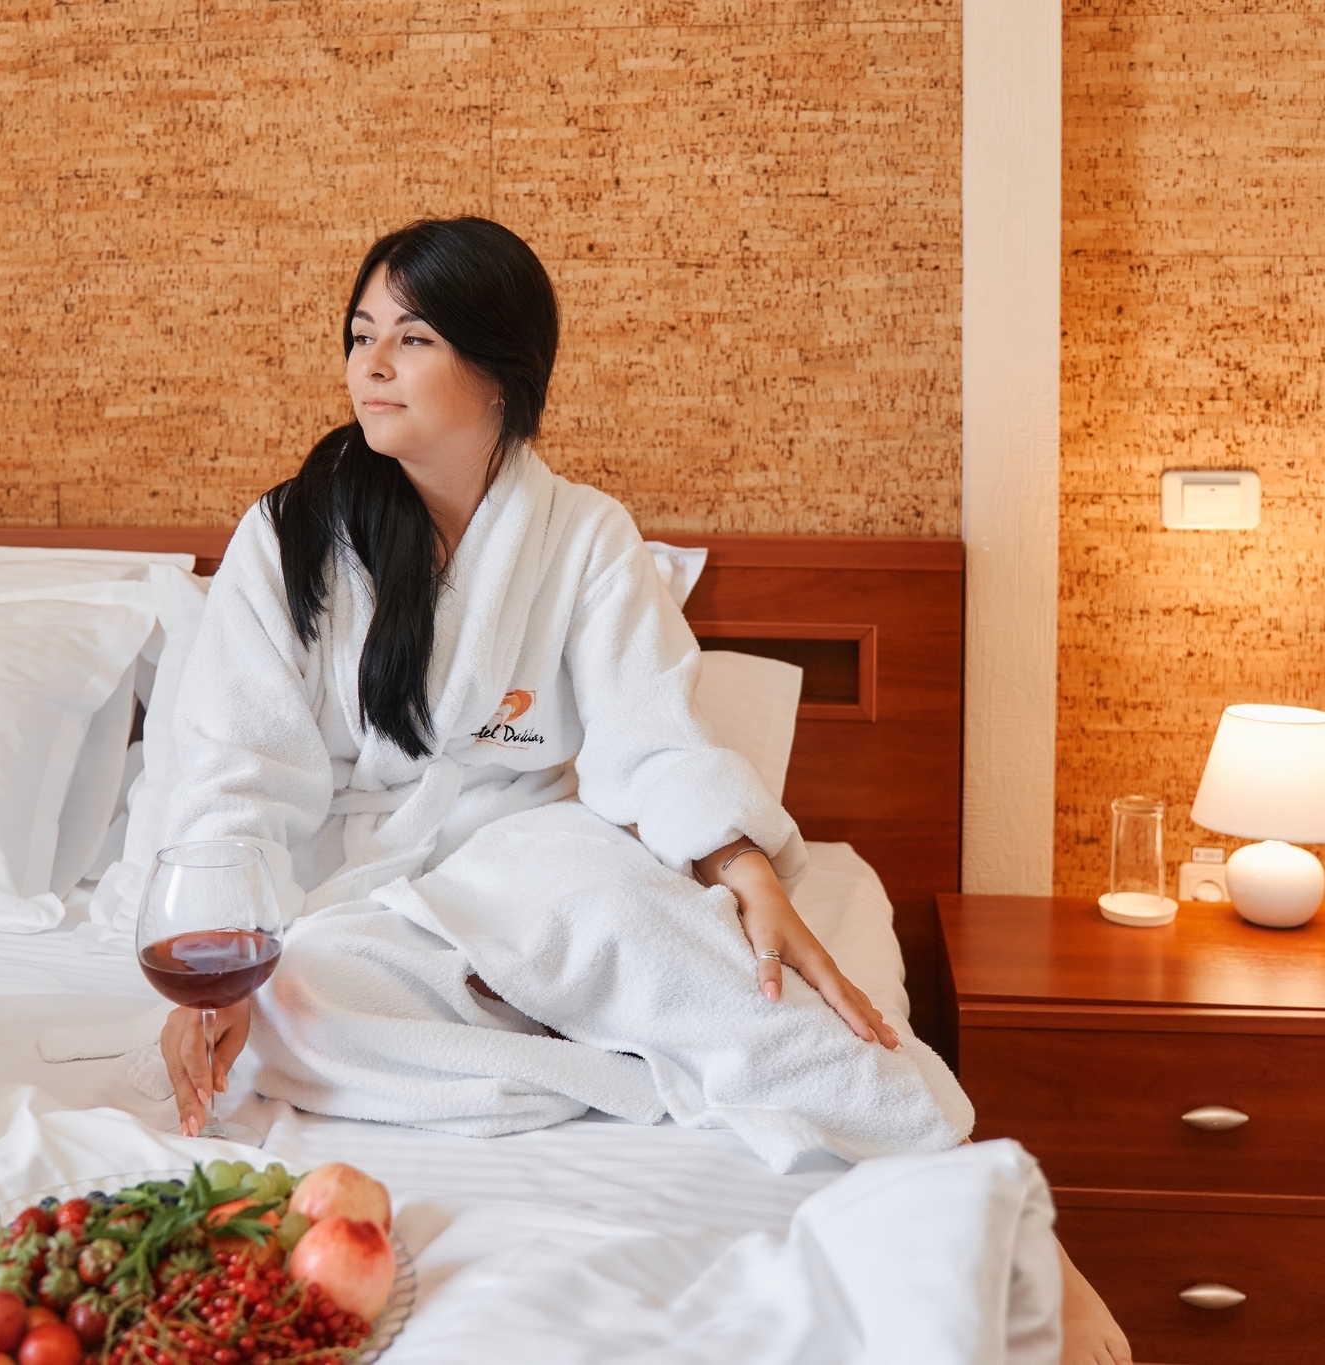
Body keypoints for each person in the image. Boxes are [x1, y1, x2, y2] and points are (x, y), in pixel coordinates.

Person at [156, 216, 1131, 1365]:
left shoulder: (582, 536)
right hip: (363, 897)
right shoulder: (288, 535)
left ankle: (961, 1173)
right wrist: (217, 961)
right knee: (284, 1007)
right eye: (359, 334)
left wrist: (741, 868)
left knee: (701, 954)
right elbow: (237, 770)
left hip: (529, 864)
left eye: (410, 339)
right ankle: (612, 1052)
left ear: (501, 375)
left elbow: (651, 740)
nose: (369, 365)